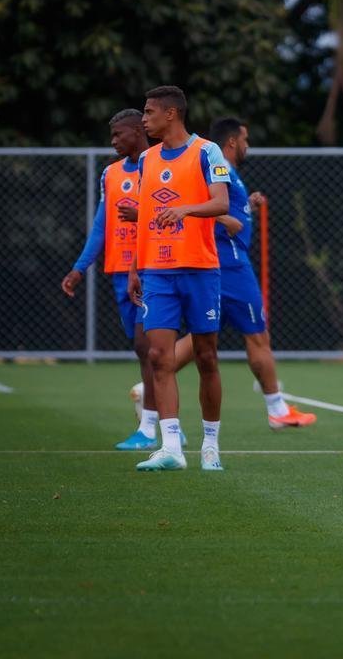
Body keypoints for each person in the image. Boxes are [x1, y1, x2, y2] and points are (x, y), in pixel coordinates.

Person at [161, 117, 316, 430]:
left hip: (219, 262)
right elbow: (193, 204)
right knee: (258, 335)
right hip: (230, 264)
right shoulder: (218, 166)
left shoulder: (228, 173)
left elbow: (224, 207)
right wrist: (225, 222)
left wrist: (249, 205)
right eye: (245, 139)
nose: (247, 145)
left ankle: (149, 389)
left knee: (202, 337)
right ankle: (277, 409)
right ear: (232, 141)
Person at [61, 109, 183, 451]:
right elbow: (102, 226)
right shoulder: (111, 174)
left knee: (151, 347)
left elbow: (173, 213)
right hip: (119, 271)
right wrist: (79, 267)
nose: (113, 141)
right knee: (143, 351)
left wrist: (143, 214)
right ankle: (170, 424)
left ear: (135, 131)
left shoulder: (160, 165)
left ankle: (150, 428)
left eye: (118, 134)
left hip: (152, 267)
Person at [128, 85, 230, 472]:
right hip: (157, 271)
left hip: (201, 269)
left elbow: (221, 202)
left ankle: (210, 444)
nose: (144, 118)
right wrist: (136, 268)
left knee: (206, 356)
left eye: (149, 111)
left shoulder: (207, 151)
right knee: (158, 356)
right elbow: (143, 216)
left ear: (171, 114)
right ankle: (171, 446)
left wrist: (185, 210)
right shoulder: (147, 159)